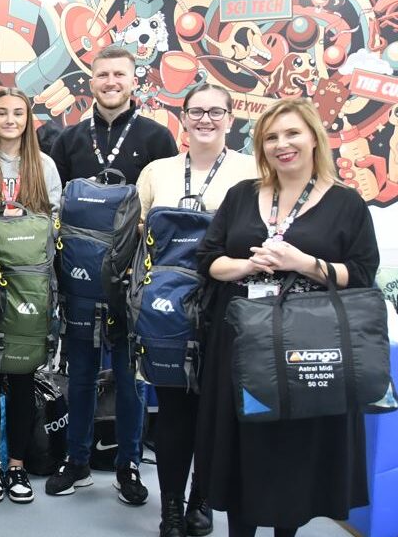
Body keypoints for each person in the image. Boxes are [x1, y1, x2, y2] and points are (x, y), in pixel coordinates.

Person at [195, 98, 378, 537]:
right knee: (241, 448)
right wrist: (248, 265)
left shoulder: (346, 204)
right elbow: (208, 259)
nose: (282, 145)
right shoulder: (241, 195)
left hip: (307, 349)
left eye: (292, 133)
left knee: (293, 453)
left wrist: (302, 262)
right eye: (271, 137)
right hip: (240, 345)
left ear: (314, 137)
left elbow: (363, 274)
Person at [46, 46, 177, 504]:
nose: (110, 82)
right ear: (92, 80)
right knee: (79, 374)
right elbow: (54, 209)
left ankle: (129, 467)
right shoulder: (69, 140)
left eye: (118, 74)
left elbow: (166, 208)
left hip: (134, 281)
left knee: (129, 378)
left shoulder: (158, 139)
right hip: (80, 279)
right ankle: (77, 461)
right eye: (102, 74)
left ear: (132, 79)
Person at [136, 83, 257, 537]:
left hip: (229, 307)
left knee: (214, 411)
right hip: (168, 312)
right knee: (173, 412)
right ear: (182, 118)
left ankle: (201, 501)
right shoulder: (157, 171)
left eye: (216, 111)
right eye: (196, 111)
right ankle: (170, 509)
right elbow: (136, 243)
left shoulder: (252, 171)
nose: (206, 119)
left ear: (230, 118)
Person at [0, 87, 62, 505]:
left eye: (17, 113)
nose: (9, 120)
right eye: (1, 112)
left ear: (28, 118)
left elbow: (55, 223)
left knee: (23, 374)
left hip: (30, 285)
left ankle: (18, 466)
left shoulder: (44, 165)